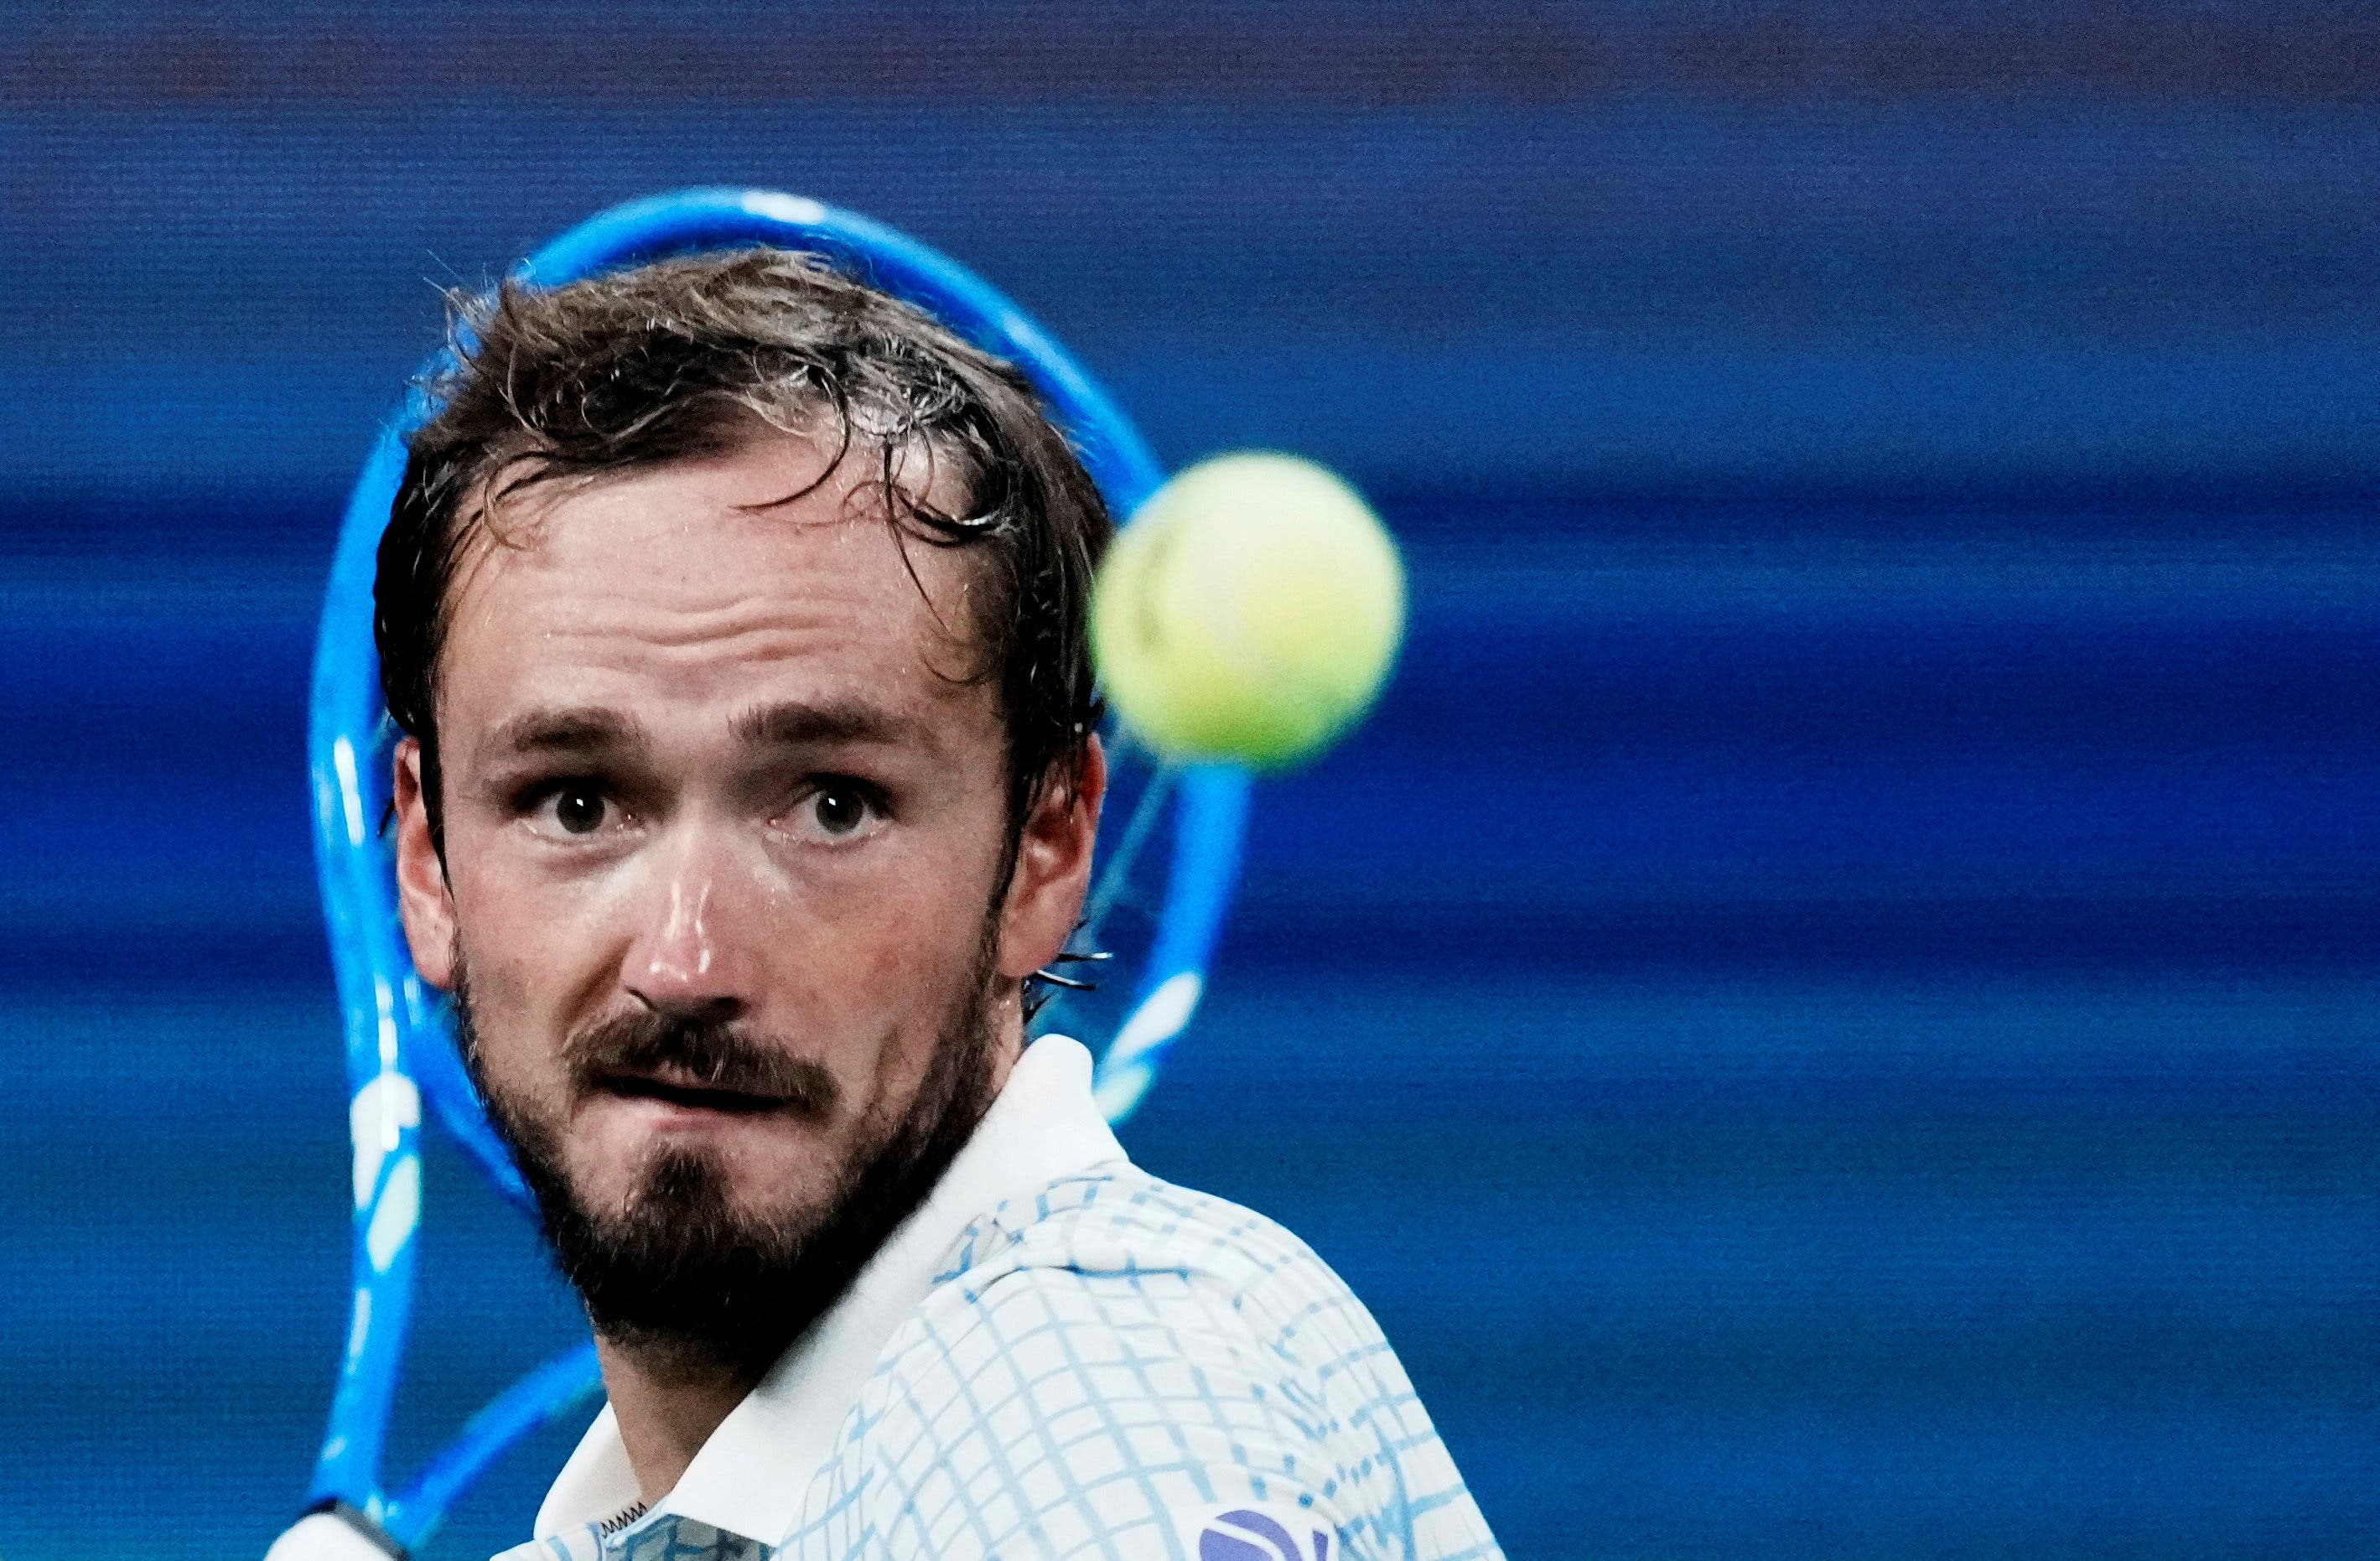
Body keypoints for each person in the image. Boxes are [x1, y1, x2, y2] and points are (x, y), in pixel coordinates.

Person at [370, 249, 1500, 1561]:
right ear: (426, 857)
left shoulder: (1081, 1392)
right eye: (577, 803)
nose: (684, 962)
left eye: (831, 804)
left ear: (1046, 845)